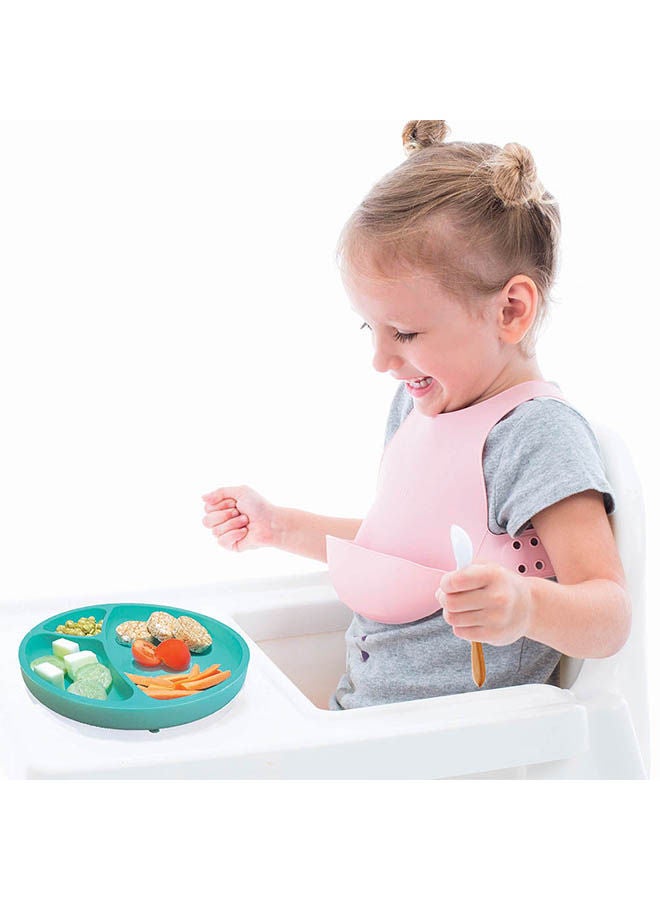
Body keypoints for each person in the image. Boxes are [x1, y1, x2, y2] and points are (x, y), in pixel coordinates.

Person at [201, 120, 631, 710]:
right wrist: (279, 526)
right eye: (371, 328)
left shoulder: (537, 435)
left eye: (404, 333)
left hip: (458, 742)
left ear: (510, 310)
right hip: (365, 714)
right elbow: (401, 552)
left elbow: (610, 615)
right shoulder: (418, 402)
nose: (381, 360)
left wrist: (526, 605)